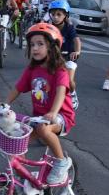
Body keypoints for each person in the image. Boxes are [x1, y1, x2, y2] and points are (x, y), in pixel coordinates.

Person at [4, 22, 75, 184]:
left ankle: (62, 162)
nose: (35, 48)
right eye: (32, 45)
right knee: (18, 140)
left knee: (43, 129)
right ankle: (23, 178)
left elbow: (60, 93)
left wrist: (53, 113)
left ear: (52, 47)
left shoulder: (60, 70)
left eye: (40, 44)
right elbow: (18, 88)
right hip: (40, 117)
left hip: (61, 116)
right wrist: (5, 104)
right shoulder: (32, 70)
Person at [48, 0, 81, 110]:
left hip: (69, 56)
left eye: (59, 14)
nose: (55, 17)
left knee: (70, 81)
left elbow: (76, 40)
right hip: (54, 56)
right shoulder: (48, 27)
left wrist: (77, 51)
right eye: (53, 14)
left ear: (65, 15)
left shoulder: (69, 28)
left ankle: (72, 94)